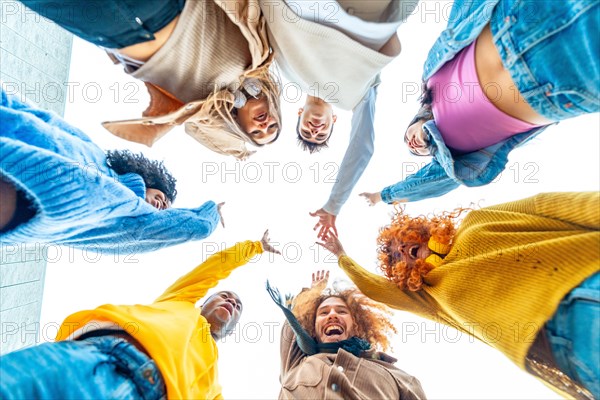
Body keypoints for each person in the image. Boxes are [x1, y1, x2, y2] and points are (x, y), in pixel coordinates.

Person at [318, 192, 600, 399]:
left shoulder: (478, 221)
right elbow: (379, 290)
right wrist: (343, 257)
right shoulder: (431, 296)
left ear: (418, 232)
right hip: (559, 348)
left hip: (584, 285)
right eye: (395, 257)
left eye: (401, 242)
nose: (401, 251)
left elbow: (549, 206)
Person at [359, 0, 599, 207]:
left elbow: (462, 15)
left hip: (516, 17)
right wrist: (382, 196)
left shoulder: (430, 78)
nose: (413, 144)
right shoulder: (454, 160)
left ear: (411, 122)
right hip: (563, 83)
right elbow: (422, 184)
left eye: (407, 138)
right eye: (416, 151)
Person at [0, 231, 279, 399]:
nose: (231, 301)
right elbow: (214, 267)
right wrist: (254, 247)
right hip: (96, 353)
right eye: (225, 295)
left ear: (230, 330)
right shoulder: (181, 301)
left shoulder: (212, 380)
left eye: (237, 307)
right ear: (205, 301)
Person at [18, 0, 282, 160]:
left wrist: (242, 150)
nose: (264, 126)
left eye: (256, 133)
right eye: (273, 127)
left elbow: (209, 135)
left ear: (239, 127)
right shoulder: (260, 54)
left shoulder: (206, 113)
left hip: (116, 31)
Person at [258, 0, 418, 238]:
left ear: (299, 114)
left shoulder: (284, 71)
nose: (315, 130)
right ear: (334, 120)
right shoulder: (354, 99)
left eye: (306, 131)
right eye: (321, 134)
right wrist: (334, 204)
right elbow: (362, 147)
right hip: (364, 18)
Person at [0, 90, 222, 254]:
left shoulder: (128, 219)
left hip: (20, 202)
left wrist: (210, 215)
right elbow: (45, 118)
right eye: (163, 198)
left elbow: (189, 228)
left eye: (167, 210)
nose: (163, 206)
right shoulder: (94, 150)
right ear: (151, 180)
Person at [267, 270, 427, 399]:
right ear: (313, 328)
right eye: (323, 313)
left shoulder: (397, 376)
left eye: (341, 311)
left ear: (358, 325)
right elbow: (293, 323)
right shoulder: (296, 362)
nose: (332, 315)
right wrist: (311, 293)